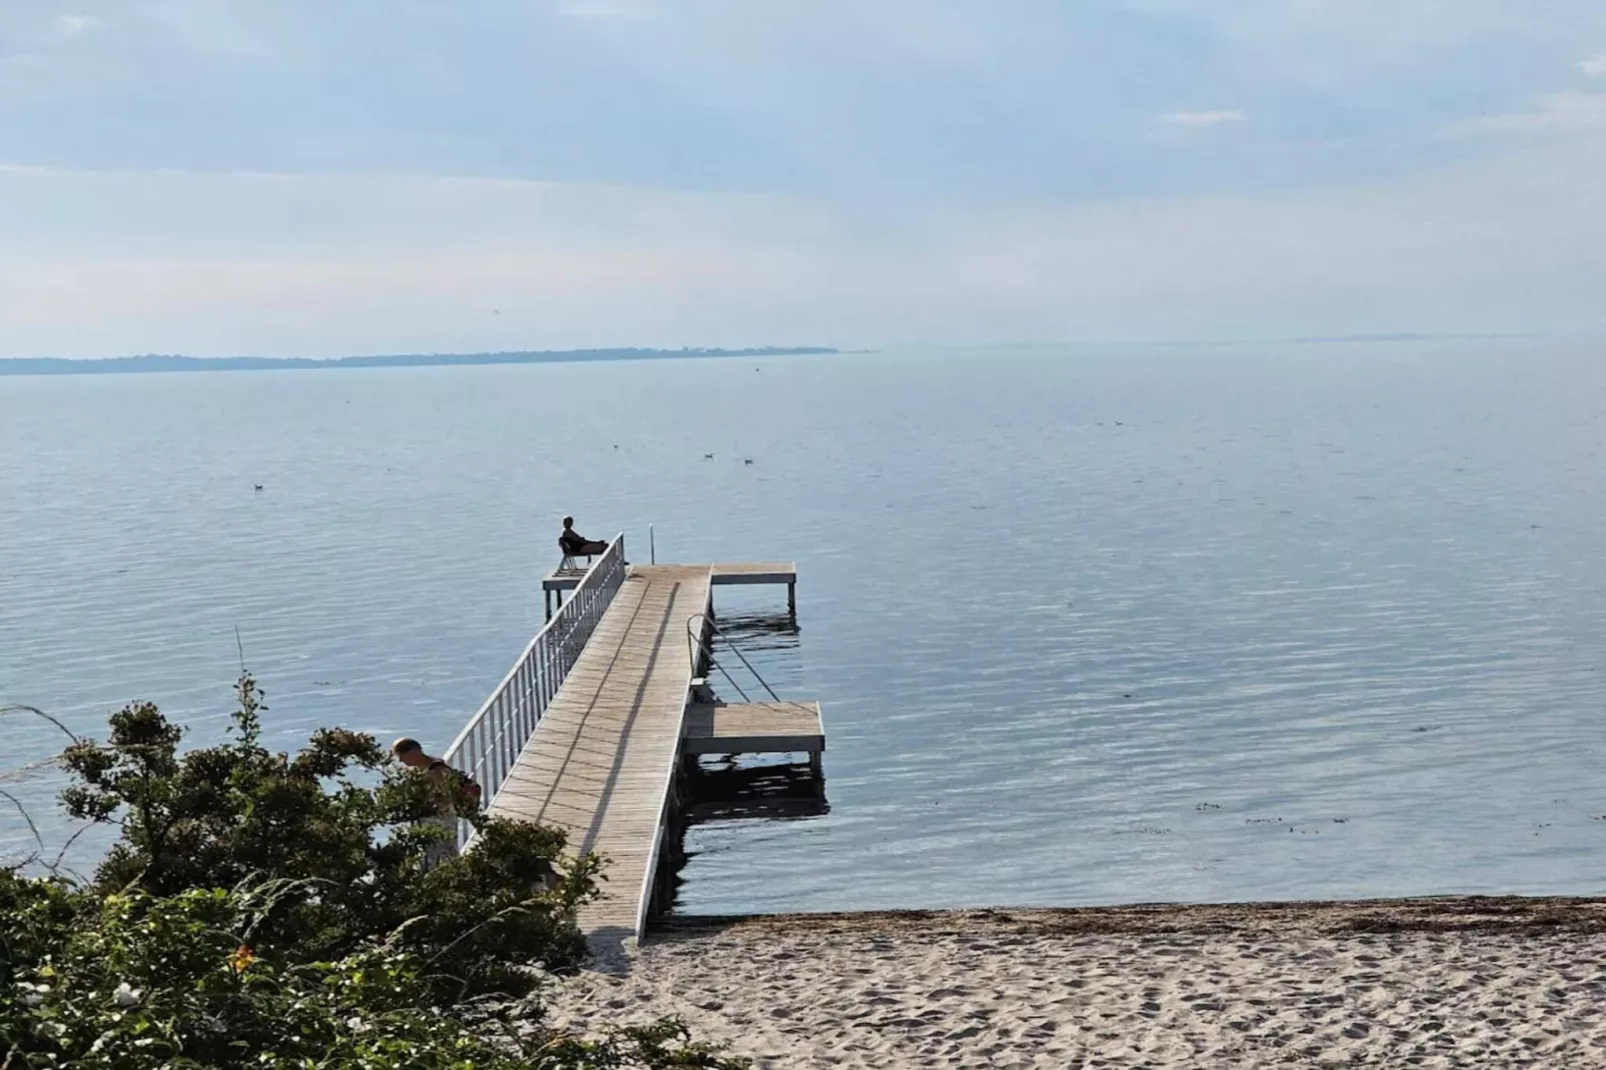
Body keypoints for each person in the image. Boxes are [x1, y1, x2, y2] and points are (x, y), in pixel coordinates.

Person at [391, 737, 480, 865]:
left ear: (413, 751)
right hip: (428, 821)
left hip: (440, 820)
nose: (400, 760)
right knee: (436, 855)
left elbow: (443, 796)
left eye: (401, 755)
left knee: (442, 855)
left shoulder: (437, 770)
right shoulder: (419, 769)